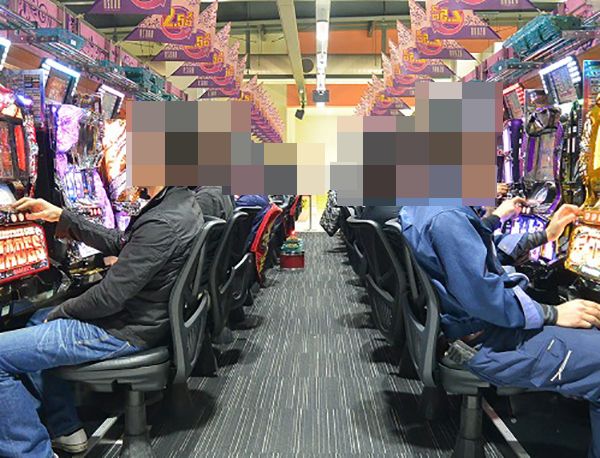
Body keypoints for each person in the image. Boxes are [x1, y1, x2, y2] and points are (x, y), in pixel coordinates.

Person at [0, 186, 203, 458]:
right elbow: (125, 242)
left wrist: (60, 312)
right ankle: (66, 428)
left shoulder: (162, 222)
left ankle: (32, 453)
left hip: (123, 331)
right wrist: (63, 216)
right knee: (36, 319)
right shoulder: (181, 201)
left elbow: (109, 298)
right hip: (147, 321)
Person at [399, 202, 600, 458]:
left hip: (476, 329)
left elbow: (476, 250)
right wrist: (553, 313)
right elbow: (483, 297)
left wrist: (544, 235)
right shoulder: (447, 217)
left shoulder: (428, 204)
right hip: (490, 342)